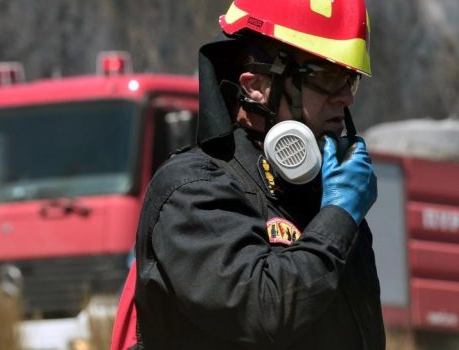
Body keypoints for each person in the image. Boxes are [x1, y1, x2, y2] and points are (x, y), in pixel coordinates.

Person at [132, 0, 385, 348]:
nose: (345, 98)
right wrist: (338, 218)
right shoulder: (192, 192)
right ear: (256, 86)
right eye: (327, 77)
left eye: (349, 79)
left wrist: (337, 216)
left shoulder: (323, 199)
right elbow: (266, 311)